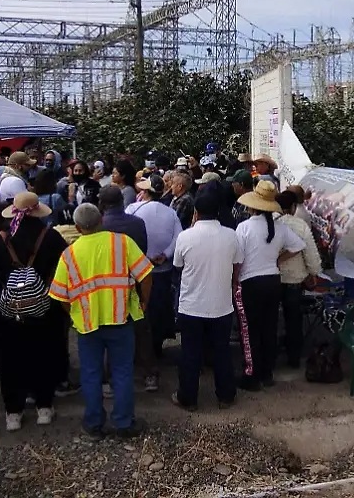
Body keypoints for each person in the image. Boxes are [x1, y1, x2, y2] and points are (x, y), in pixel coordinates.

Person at [49, 204, 152, 439]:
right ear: (101, 220)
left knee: (91, 374)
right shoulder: (122, 242)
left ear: (77, 227)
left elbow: (60, 295)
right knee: (123, 372)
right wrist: (143, 303)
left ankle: (94, 424)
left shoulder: (70, 254)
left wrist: (74, 313)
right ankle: (124, 423)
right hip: (121, 318)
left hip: (87, 324)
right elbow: (145, 274)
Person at [0, 193, 69, 431]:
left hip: (7, 315)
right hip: (45, 311)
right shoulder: (52, 238)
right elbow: (66, 272)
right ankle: (44, 408)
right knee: (44, 357)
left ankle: (13, 412)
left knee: (9, 362)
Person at [171, 191, 241, 412]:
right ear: (218, 212)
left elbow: (178, 266)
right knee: (222, 351)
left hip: (192, 305)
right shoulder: (231, 235)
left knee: (190, 352)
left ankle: (188, 398)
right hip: (221, 304)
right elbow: (237, 265)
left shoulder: (185, 237)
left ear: (196, 212)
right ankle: (226, 396)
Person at [234, 181, 306, 391]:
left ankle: (251, 375)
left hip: (250, 283)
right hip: (273, 281)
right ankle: (267, 372)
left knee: (249, 331)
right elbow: (299, 246)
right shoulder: (279, 227)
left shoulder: (244, 227)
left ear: (252, 205)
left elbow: (238, 259)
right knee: (269, 328)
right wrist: (278, 260)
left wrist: (234, 281)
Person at [125, 175, 182, 393]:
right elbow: (178, 237)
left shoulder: (132, 209)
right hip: (161, 268)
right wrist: (165, 255)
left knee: (137, 311)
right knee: (158, 309)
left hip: (136, 270)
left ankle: (138, 354)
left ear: (145, 191)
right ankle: (155, 348)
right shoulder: (171, 212)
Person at [276, 190, 320, 369]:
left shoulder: (272, 224)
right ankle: (294, 358)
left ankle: (270, 357)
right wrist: (314, 272)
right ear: (294, 207)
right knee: (293, 319)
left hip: (273, 278)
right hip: (294, 279)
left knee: (271, 318)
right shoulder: (300, 225)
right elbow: (310, 253)